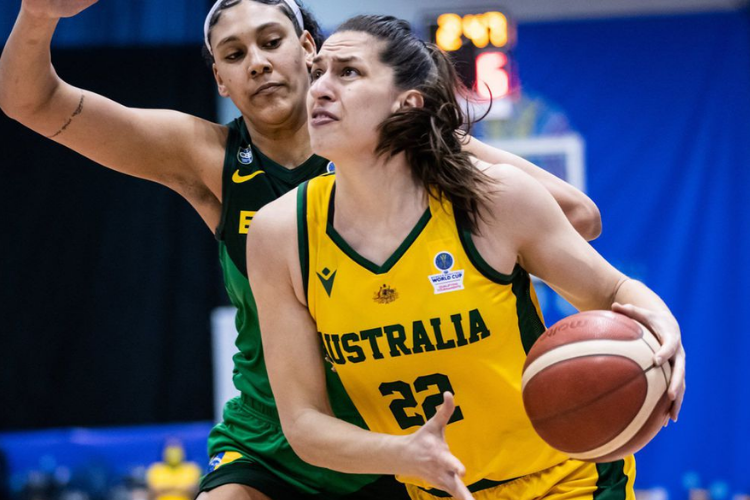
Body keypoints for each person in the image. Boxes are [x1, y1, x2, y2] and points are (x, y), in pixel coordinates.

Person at [0, 1, 600, 498]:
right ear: (220, 79)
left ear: (310, 49)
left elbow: (577, 215)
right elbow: (31, 101)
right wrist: (38, 15)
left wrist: (445, 156)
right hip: (274, 435)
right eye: (234, 56)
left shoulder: (398, 143)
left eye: (270, 41)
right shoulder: (209, 157)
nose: (257, 63)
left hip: (387, 432)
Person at [246, 15, 687, 500]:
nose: (320, 89)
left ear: (406, 103)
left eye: (347, 72)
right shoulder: (279, 232)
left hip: (566, 480)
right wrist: (401, 454)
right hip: (441, 492)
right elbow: (304, 424)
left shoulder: (490, 199)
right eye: (319, 70)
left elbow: (613, 291)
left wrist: (664, 327)